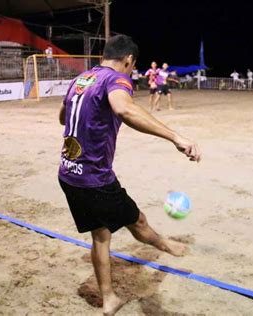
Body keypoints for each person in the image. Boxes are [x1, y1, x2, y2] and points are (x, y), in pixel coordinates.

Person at [57, 35, 201, 316]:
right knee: (137, 221)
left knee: (100, 235)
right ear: (128, 61)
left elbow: (63, 117)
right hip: (94, 178)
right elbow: (124, 108)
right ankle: (165, 245)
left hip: (67, 173)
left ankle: (109, 299)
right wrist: (175, 137)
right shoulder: (116, 79)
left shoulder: (81, 79)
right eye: (131, 66)